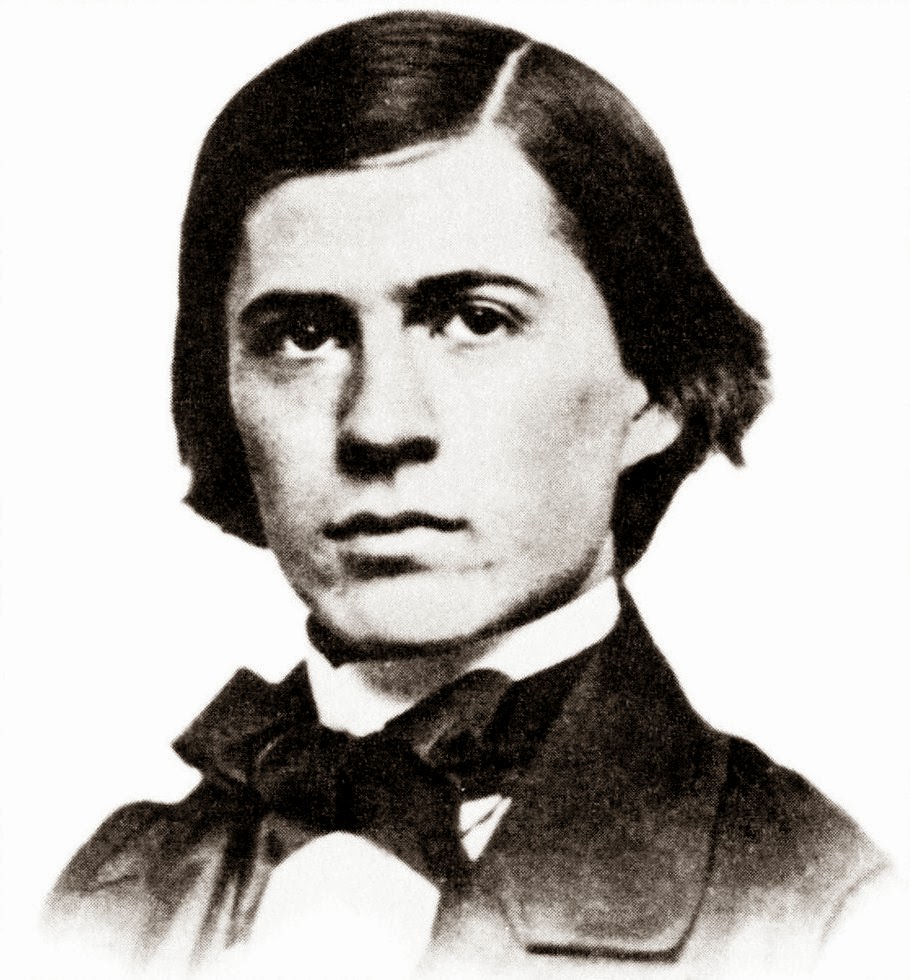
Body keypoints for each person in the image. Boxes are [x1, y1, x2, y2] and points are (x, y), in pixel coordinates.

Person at [43, 11, 891, 978]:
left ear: (655, 388)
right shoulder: (104, 897)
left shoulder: (832, 912)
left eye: (475, 321)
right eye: (304, 337)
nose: (379, 425)